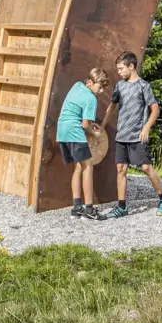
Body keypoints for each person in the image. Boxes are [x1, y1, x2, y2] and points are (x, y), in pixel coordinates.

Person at [103, 51, 162, 219]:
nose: (118, 72)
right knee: (120, 169)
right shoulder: (119, 86)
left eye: (121, 68)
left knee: (146, 168)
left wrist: (146, 127)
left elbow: (155, 109)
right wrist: (102, 126)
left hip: (137, 136)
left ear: (131, 66)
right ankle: (122, 207)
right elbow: (112, 106)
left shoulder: (143, 86)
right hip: (121, 136)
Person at [55, 68, 112, 219]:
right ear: (90, 82)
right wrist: (96, 135)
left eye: (103, 88)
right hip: (74, 131)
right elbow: (85, 125)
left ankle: (76, 208)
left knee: (78, 167)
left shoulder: (76, 86)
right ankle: (89, 210)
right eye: (99, 87)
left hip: (62, 131)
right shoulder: (91, 98)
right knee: (88, 167)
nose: (100, 91)